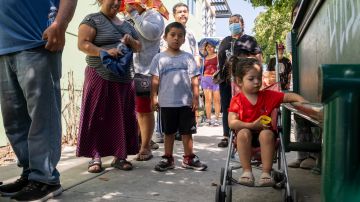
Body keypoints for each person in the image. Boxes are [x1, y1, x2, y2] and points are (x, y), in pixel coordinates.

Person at [0, 0, 77, 201]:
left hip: (37, 41)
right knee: (14, 121)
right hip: (4, 47)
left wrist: (60, 24)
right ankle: (30, 173)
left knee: (42, 115)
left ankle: (46, 179)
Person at [76, 0, 141, 173]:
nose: (116, 2)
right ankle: (95, 156)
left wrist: (131, 42)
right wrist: (103, 52)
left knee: (123, 117)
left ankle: (120, 156)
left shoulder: (127, 24)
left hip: (124, 78)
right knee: (97, 115)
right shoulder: (92, 19)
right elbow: (82, 44)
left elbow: (139, 47)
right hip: (99, 74)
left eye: (119, 0)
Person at [228, 57, 307, 187]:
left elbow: (288, 96)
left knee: (267, 134)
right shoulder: (237, 100)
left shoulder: (268, 96)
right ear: (239, 81)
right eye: (251, 78)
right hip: (245, 139)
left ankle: (266, 173)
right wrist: (252, 125)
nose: (257, 81)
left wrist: (304, 103)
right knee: (243, 133)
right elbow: (232, 122)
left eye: (259, 77)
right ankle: (247, 171)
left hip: (266, 138)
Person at [150, 22, 207, 172]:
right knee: (168, 132)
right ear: (165, 37)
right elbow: (155, 80)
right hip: (167, 103)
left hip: (186, 103)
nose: (176, 38)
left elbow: (194, 79)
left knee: (187, 132)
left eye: (180, 36)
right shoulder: (159, 58)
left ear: (184, 40)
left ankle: (189, 158)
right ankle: (167, 158)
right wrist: (153, 97)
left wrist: (195, 98)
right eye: (172, 35)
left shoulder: (188, 58)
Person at [124, 1, 166, 161]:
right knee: (130, 111)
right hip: (127, 70)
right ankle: (132, 144)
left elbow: (152, 33)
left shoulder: (154, 15)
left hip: (146, 71)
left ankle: (146, 146)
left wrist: (134, 15)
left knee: (144, 110)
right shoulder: (128, 17)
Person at [154, 2, 201, 143]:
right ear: (174, 14)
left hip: (187, 73)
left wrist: (196, 67)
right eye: (179, 11)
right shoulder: (166, 32)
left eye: (185, 11)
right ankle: (161, 131)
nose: (183, 14)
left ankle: (182, 131)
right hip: (169, 73)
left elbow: (196, 53)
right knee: (167, 101)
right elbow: (162, 53)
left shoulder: (191, 34)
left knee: (185, 106)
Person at [217, 14, 261, 148]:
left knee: (244, 106)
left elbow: (258, 58)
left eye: (236, 21)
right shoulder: (225, 40)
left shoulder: (249, 40)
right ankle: (226, 135)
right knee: (227, 107)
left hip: (243, 80)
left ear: (242, 24)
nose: (233, 24)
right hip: (225, 80)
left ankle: (246, 133)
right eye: (230, 22)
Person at [286, 1, 317, 169]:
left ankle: (314, 156)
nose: (298, 16)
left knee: (315, 115)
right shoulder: (291, 34)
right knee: (299, 115)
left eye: (300, 12)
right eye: (295, 14)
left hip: (313, 75)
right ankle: (302, 155)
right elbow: (293, 58)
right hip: (299, 77)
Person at [201, 41, 221, 126]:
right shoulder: (203, 58)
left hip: (215, 79)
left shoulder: (218, 56)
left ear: (214, 47)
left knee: (216, 100)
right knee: (208, 100)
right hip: (205, 79)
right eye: (207, 47)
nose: (209, 48)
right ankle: (208, 119)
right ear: (205, 48)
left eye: (211, 46)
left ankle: (216, 119)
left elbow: (221, 67)